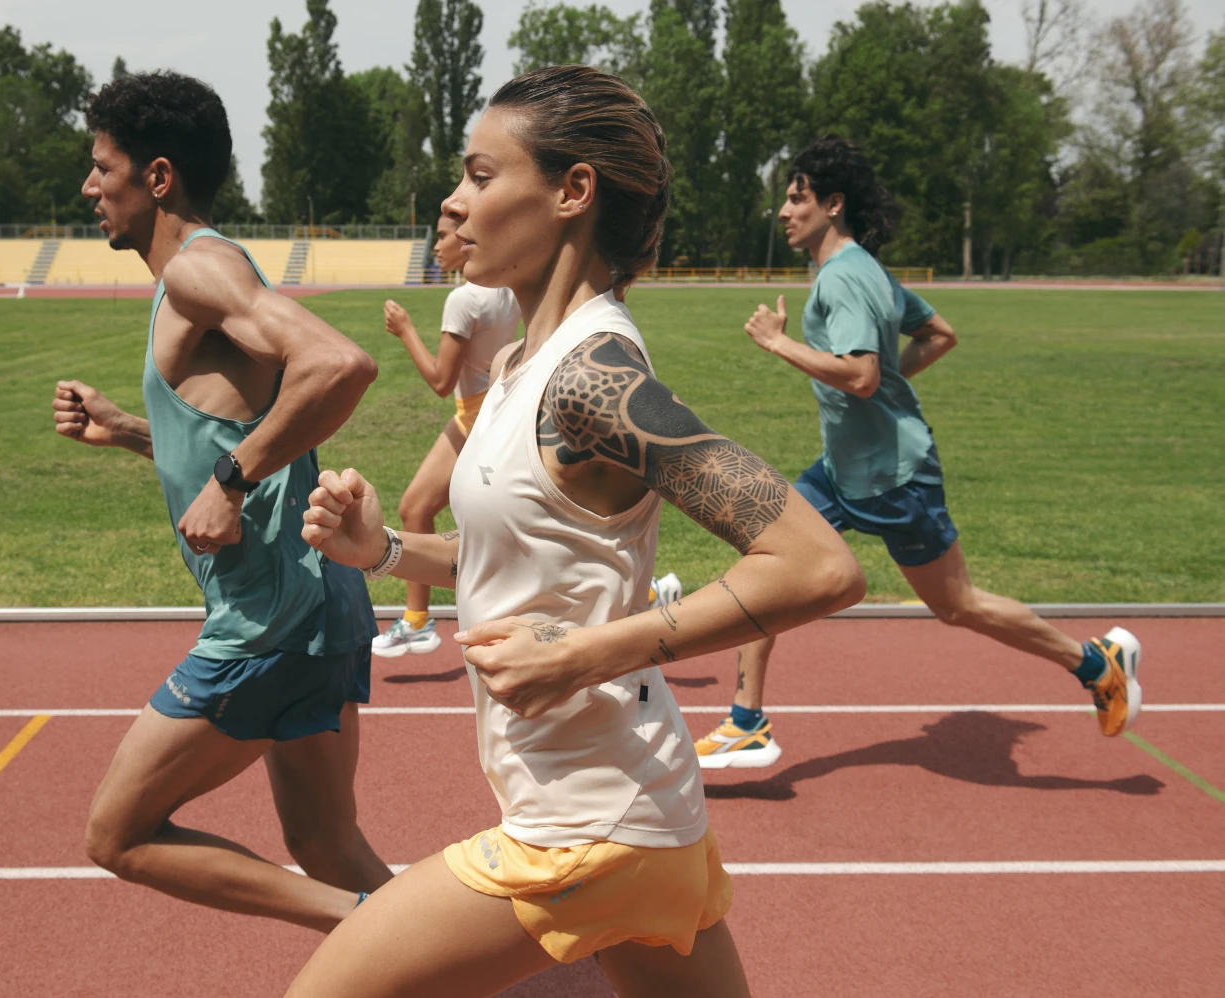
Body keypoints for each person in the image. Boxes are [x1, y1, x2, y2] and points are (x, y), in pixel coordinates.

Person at [288, 66, 865, 998]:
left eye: (481, 175)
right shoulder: (523, 363)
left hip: (589, 828)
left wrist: (587, 654)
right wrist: (386, 551)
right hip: (635, 812)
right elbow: (526, 557)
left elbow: (817, 564)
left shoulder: (592, 380)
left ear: (572, 192)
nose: (453, 198)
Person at [50, 71, 392, 931]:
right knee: (324, 842)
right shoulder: (197, 275)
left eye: (102, 166)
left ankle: (368, 935)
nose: (90, 186)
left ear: (157, 176)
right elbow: (239, 417)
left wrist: (228, 482)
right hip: (316, 598)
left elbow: (339, 365)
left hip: (271, 614)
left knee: (118, 832)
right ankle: (455, 963)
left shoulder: (200, 269)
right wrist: (131, 430)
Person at [695, 135, 1142, 771]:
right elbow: (939, 334)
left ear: (833, 204)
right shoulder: (865, 269)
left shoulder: (843, 280)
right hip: (846, 469)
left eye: (797, 199)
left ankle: (1098, 664)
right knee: (768, 557)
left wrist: (777, 344)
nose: (785, 212)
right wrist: (885, 392)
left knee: (957, 604)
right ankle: (746, 722)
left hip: (891, 478)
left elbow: (860, 376)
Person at [374, 217, 521, 656]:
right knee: (417, 507)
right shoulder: (508, 288)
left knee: (500, 525)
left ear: (467, 237)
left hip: (475, 417)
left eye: (441, 236)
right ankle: (417, 620)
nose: (435, 246)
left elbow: (440, 380)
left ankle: (644, 593)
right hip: (490, 410)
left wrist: (404, 330)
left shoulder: (464, 299)